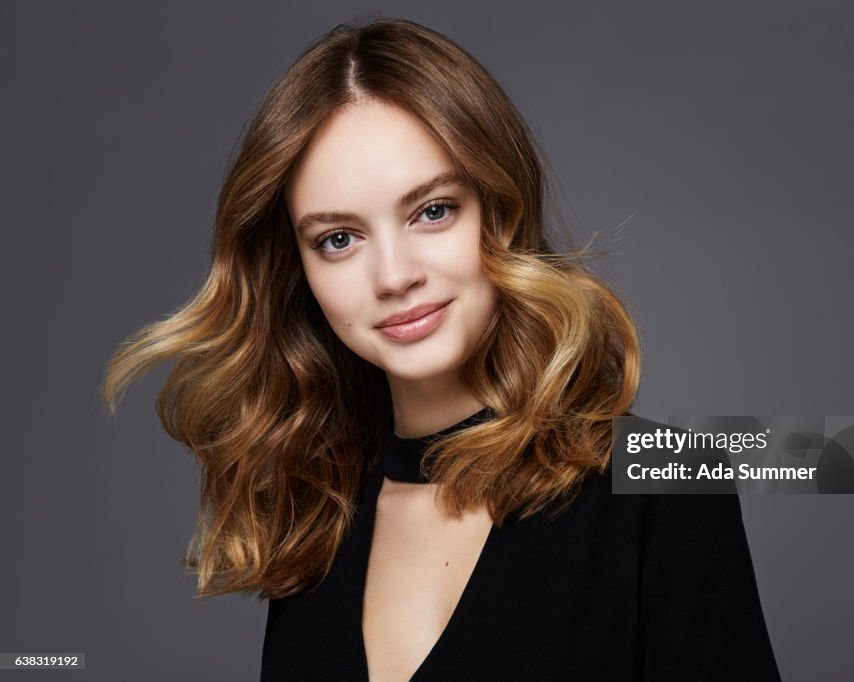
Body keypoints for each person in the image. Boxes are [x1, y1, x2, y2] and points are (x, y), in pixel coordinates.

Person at [103, 17, 781, 681]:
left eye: (432, 211)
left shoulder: (671, 478)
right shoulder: (317, 514)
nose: (395, 276)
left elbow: (851, 457)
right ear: (299, 271)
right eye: (338, 238)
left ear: (499, 207)